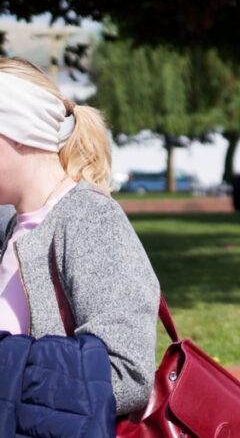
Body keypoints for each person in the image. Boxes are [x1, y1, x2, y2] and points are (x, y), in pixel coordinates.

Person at [0, 57, 160, 416]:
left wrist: (9, 376)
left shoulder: (89, 218)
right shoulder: (13, 225)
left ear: (19, 133)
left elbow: (127, 372)